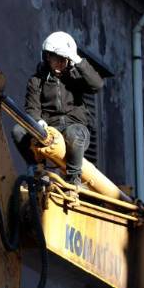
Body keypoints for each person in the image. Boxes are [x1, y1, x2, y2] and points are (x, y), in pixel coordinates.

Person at [12, 31, 104, 189]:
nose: (61, 63)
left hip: (75, 128)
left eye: (64, 59)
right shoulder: (36, 80)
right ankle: (37, 171)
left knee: (74, 133)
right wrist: (39, 123)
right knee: (18, 130)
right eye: (57, 59)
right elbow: (32, 108)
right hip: (48, 129)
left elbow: (97, 85)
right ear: (48, 57)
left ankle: (73, 178)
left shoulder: (75, 77)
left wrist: (78, 60)